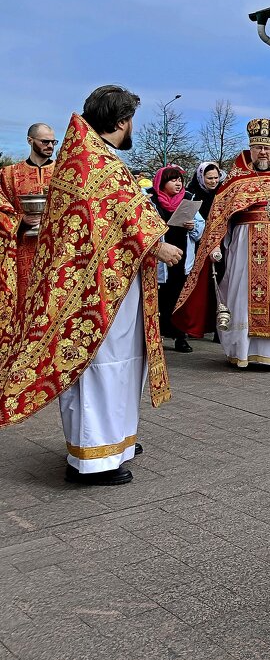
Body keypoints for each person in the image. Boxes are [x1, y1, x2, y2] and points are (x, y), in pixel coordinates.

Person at [0, 85, 182, 485]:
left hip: (105, 282)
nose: (132, 125)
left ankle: (112, 443)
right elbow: (125, 216)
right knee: (103, 365)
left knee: (114, 364)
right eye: (131, 118)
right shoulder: (99, 164)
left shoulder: (85, 158)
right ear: (121, 122)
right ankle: (92, 460)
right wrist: (160, 245)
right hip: (100, 290)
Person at [174, 119, 270, 371]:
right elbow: (219, 218)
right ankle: (241, 352)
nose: (263, 152)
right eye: (258, 147)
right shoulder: (234, 182)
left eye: (268, 148)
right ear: (250, 149)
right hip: (244, 244)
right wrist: (216, 244)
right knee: (241, 294)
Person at [0, 123, 57, 313]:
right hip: (22, 252)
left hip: (55, 252)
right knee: (23, 307)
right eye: (45, 141)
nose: (50, 146)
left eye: (53, 142)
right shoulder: (8, 174)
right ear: (30, 141)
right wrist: (20, 221)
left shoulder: (63, 173)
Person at [151, 165, 205, 353]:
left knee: (179, 298)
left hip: (181, 259)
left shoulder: (188, 199)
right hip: (158, 260)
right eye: (172, 180)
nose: (178, 183)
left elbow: (201, 228)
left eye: (179, 180)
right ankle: (156, 336)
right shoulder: (150, 200)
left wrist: (193, 227)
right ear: (161, 182)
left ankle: (180, 337)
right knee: (159, 299)